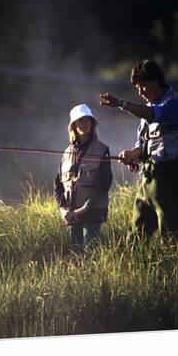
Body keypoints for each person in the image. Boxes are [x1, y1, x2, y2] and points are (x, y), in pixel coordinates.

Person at [100, 60, 178, 242]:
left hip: (170, 181)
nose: (140, 91)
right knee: (135, 237)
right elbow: (142, 145)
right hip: (147, 181)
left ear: (156, 81)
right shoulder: (148, 109)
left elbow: (154, 115)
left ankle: (171, 270)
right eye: (137, 87)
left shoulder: (173, 104)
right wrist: (132, 155)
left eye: (143, 85)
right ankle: (135, 270)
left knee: (170, 239)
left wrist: (121, 103)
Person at [54, 104, 113, 252]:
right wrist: (63, 210)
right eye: (80, 120)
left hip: (92, 214)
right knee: (76, 256)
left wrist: (84, 208)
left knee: (92, 255)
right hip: (71, 214)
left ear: (92, 124)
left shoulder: (102, 150)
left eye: (88, 120)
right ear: (73, 125)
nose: (84, 124)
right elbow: (58, 185)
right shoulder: (67, 153)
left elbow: (104, 184)